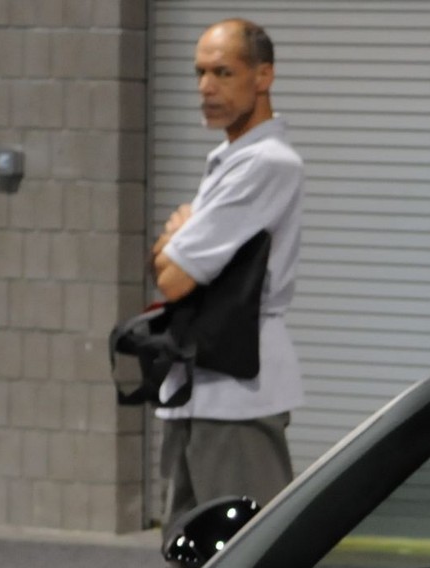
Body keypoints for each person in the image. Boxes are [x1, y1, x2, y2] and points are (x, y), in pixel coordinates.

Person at [152, 19, 305, 520]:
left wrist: (176, 236)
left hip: (238, 392)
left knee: (244, 547)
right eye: (199, 73)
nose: (205, 87)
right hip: (198, 385)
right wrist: (177, 242)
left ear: (264, 76)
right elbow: (170, 271)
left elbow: (174, 278)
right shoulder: (228, 159)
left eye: (222, 72)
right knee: (185, 547)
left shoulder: (268, 163)